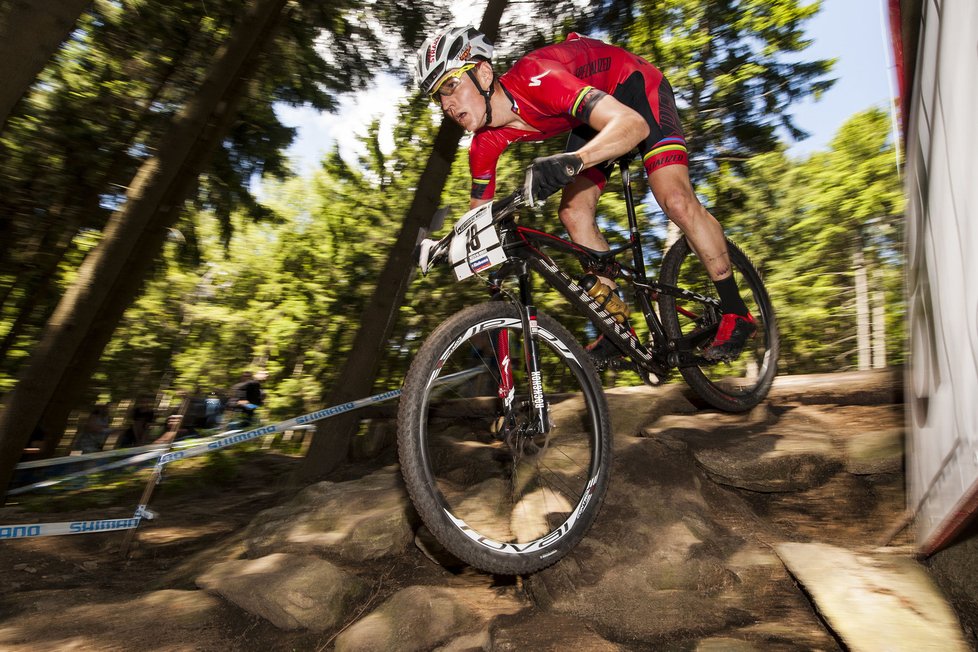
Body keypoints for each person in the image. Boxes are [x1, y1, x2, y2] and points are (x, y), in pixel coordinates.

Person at [415, 27, 756, 361]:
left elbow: (634, 126)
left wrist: (573, 162)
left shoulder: (539, 77)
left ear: (485, 73)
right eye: (438, 96)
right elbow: (479, 218)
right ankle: (616, 327)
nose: (446, 103)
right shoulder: (483, 145)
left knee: (675, 200)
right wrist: (448, 245)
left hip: (634, 89)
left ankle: (736, 310)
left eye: (451, 84)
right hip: (588, 115)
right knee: (574, 212)